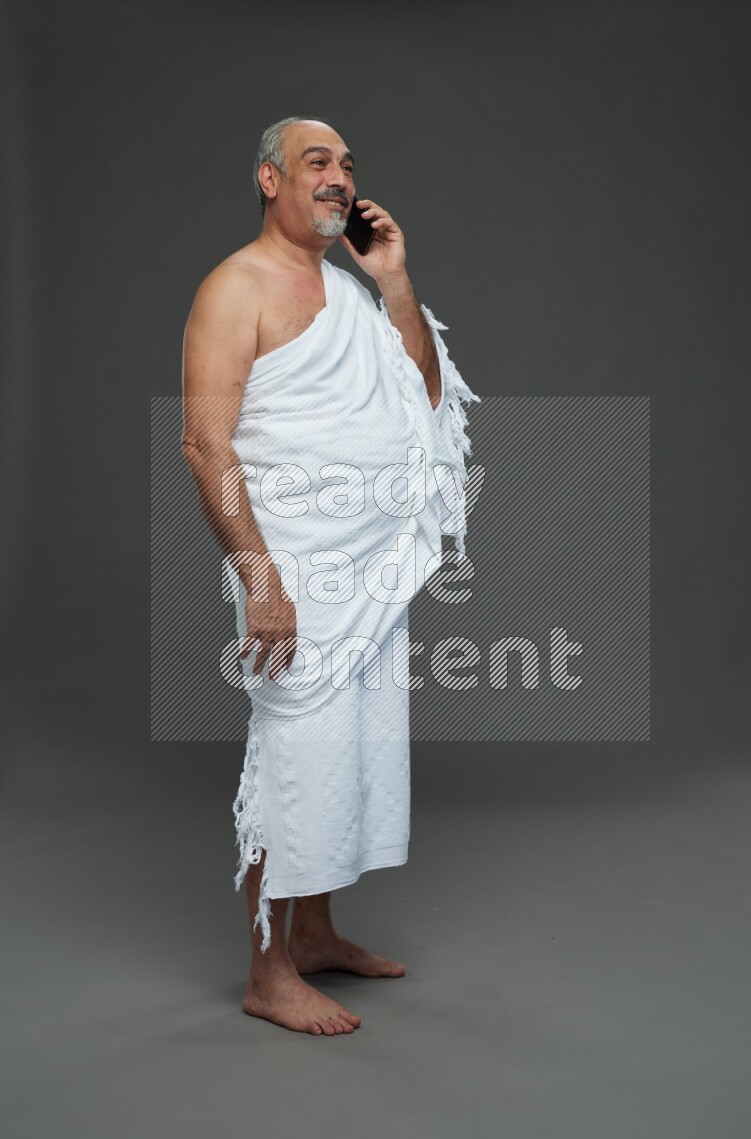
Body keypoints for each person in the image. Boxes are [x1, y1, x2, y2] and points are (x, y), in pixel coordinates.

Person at [181, 116, 479, 1036]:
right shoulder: (236, 288)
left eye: (348, 165)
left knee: (354, 745)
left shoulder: (353, 291)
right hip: (294, 564)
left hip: (369, 565)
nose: (340, 179)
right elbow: (205, 442)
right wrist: (260, 576)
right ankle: (269, 970)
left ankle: (313, 934)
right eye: (318, 162)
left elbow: (423, 396)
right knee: (297, 750)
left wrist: (392, 281)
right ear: (269, 179)